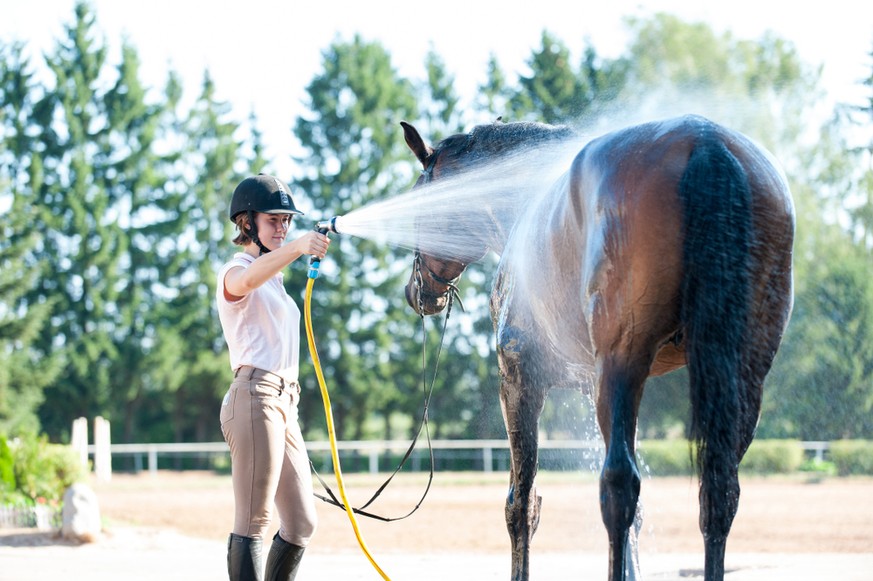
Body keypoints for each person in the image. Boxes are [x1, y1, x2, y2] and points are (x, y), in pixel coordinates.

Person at [216, 173, 330, 581]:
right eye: (273, 220)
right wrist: (299, 248)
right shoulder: (236, 271)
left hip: (284, 404)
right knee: (254, 520)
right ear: (247, 223)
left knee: (301, 523)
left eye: (287, 220)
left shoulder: (275, 282)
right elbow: (245, 281)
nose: (283, 227)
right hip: (255, 396)